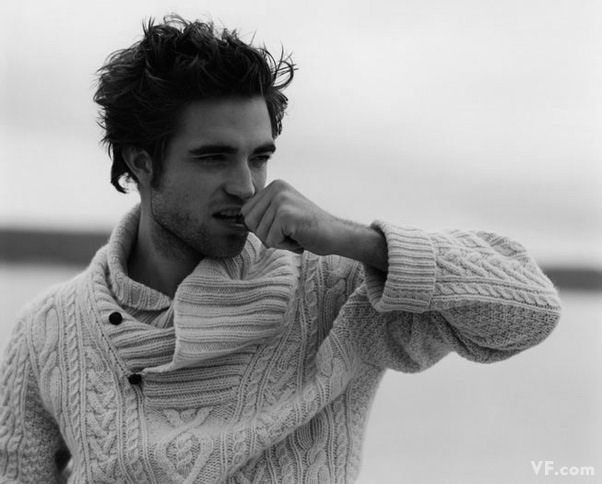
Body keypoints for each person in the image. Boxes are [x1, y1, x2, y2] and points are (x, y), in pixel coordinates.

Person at [0, 15, 562, 484]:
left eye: (259, 156)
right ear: (141, 162)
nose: (246, 185)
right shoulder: (48, 330)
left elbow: (531, 309)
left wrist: (352, 239)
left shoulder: (333, 288)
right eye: (214, 157)